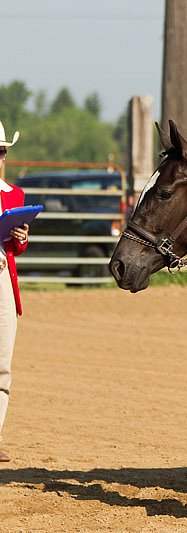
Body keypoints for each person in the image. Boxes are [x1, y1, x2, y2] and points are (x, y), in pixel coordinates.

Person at [0, 120, 29, 462]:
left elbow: (16, 249)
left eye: (2, 151)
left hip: (3, 277)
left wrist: (20, 239)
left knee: (3, 361)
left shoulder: (14, 195)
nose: (0, 156)